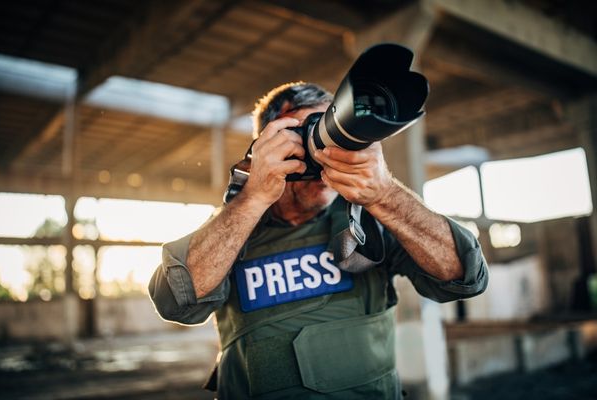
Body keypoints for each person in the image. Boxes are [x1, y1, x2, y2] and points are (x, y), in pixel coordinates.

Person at [149, 82, 488, 399]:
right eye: (305, 133)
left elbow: (465, 277)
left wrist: (384, 194)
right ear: (264, 145)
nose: (324, 149)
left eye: (330, 130)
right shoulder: (235, 225)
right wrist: (252, 198)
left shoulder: (370, 219)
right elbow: (175, 301)